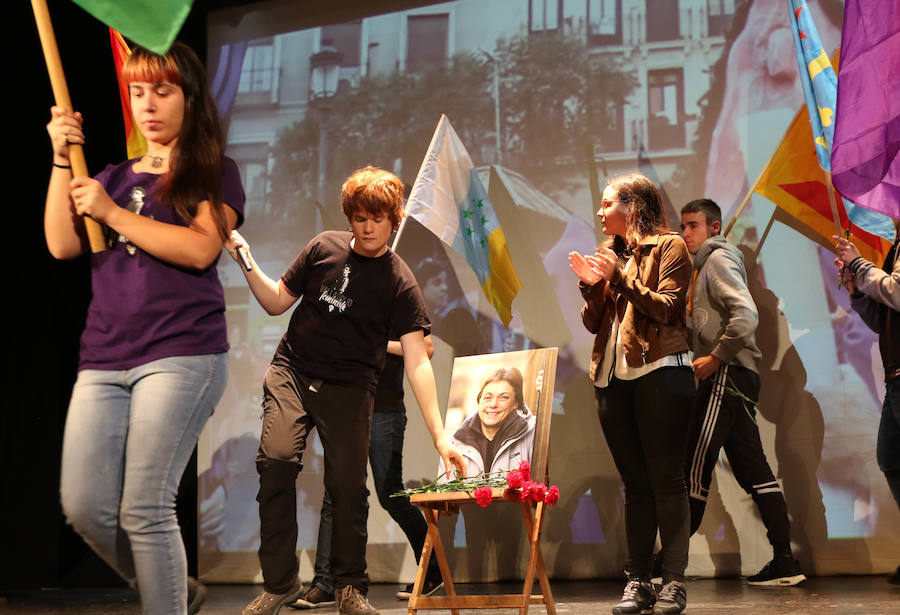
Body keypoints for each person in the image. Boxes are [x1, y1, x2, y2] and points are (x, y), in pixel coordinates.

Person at [45, 43, 245, 615]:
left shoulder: (214, 171)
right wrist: (62, 160)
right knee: (84, 507)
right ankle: (176, 591)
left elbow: (203, 248)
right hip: (104, 356)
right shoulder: (108, 174)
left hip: (182, 354)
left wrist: (111, 213)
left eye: (162, 90)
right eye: (137, 92)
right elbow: (61, 243)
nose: (147, 104)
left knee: (144, 506)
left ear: (189, 97)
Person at [227, 166, 465, 615]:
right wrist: (246, 258)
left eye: (377, 217)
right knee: (276, 462)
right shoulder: (323, 247)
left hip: (350, 387)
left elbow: (418, 359)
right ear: (350, 218)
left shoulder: (399, 279)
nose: (368, 226)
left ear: (393, 219)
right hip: (293, 372)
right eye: (359, 217)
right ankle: (279, 584)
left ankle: (349, 589)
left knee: (349, 488)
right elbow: (278, 301)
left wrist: (439, 434)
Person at [569, 173, 694, 615]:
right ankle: (637, 580)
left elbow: (669, 309)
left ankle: (674, 582)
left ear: (632, 207)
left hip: (661, 371)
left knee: (667, 480)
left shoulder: (670, 246)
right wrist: (591, 285)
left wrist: (620, 279)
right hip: (612, 378)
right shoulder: (610, 254)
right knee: (636, 484)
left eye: (607, 205)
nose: (600, 212)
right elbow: (592, 322)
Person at [680, 199, 805, 586]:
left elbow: (745, 315)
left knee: (695, 464)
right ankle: (785, 561)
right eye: (683, 226)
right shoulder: (702, 268)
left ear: (714, 227)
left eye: (693, 226)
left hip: (728, 374)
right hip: (734, 376)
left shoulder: (717, 261)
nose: (685, 234)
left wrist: (716, 357)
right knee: (755, 470)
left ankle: (666, 563)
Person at [292, 336, 444, 609]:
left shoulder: (396, 300)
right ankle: (325, 583)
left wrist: (377, 342)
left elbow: (427, 348)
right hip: (346, 412)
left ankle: (433, 571)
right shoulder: (346, 304)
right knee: (333, 497)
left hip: (385, 411)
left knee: (390, 495)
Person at [834, 224, 900, 585]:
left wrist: (859, 263)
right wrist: (856, 290)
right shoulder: (896, 247)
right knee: (890, 459)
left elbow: (899, 292)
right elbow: (883, 319)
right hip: (895, 376)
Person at [437, 367, 536, 482]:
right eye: (487, 397)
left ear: (516, 403)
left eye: (503, 397)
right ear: (479, 402)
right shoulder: (454, 444)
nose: (493, 404)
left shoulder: (532, 433)